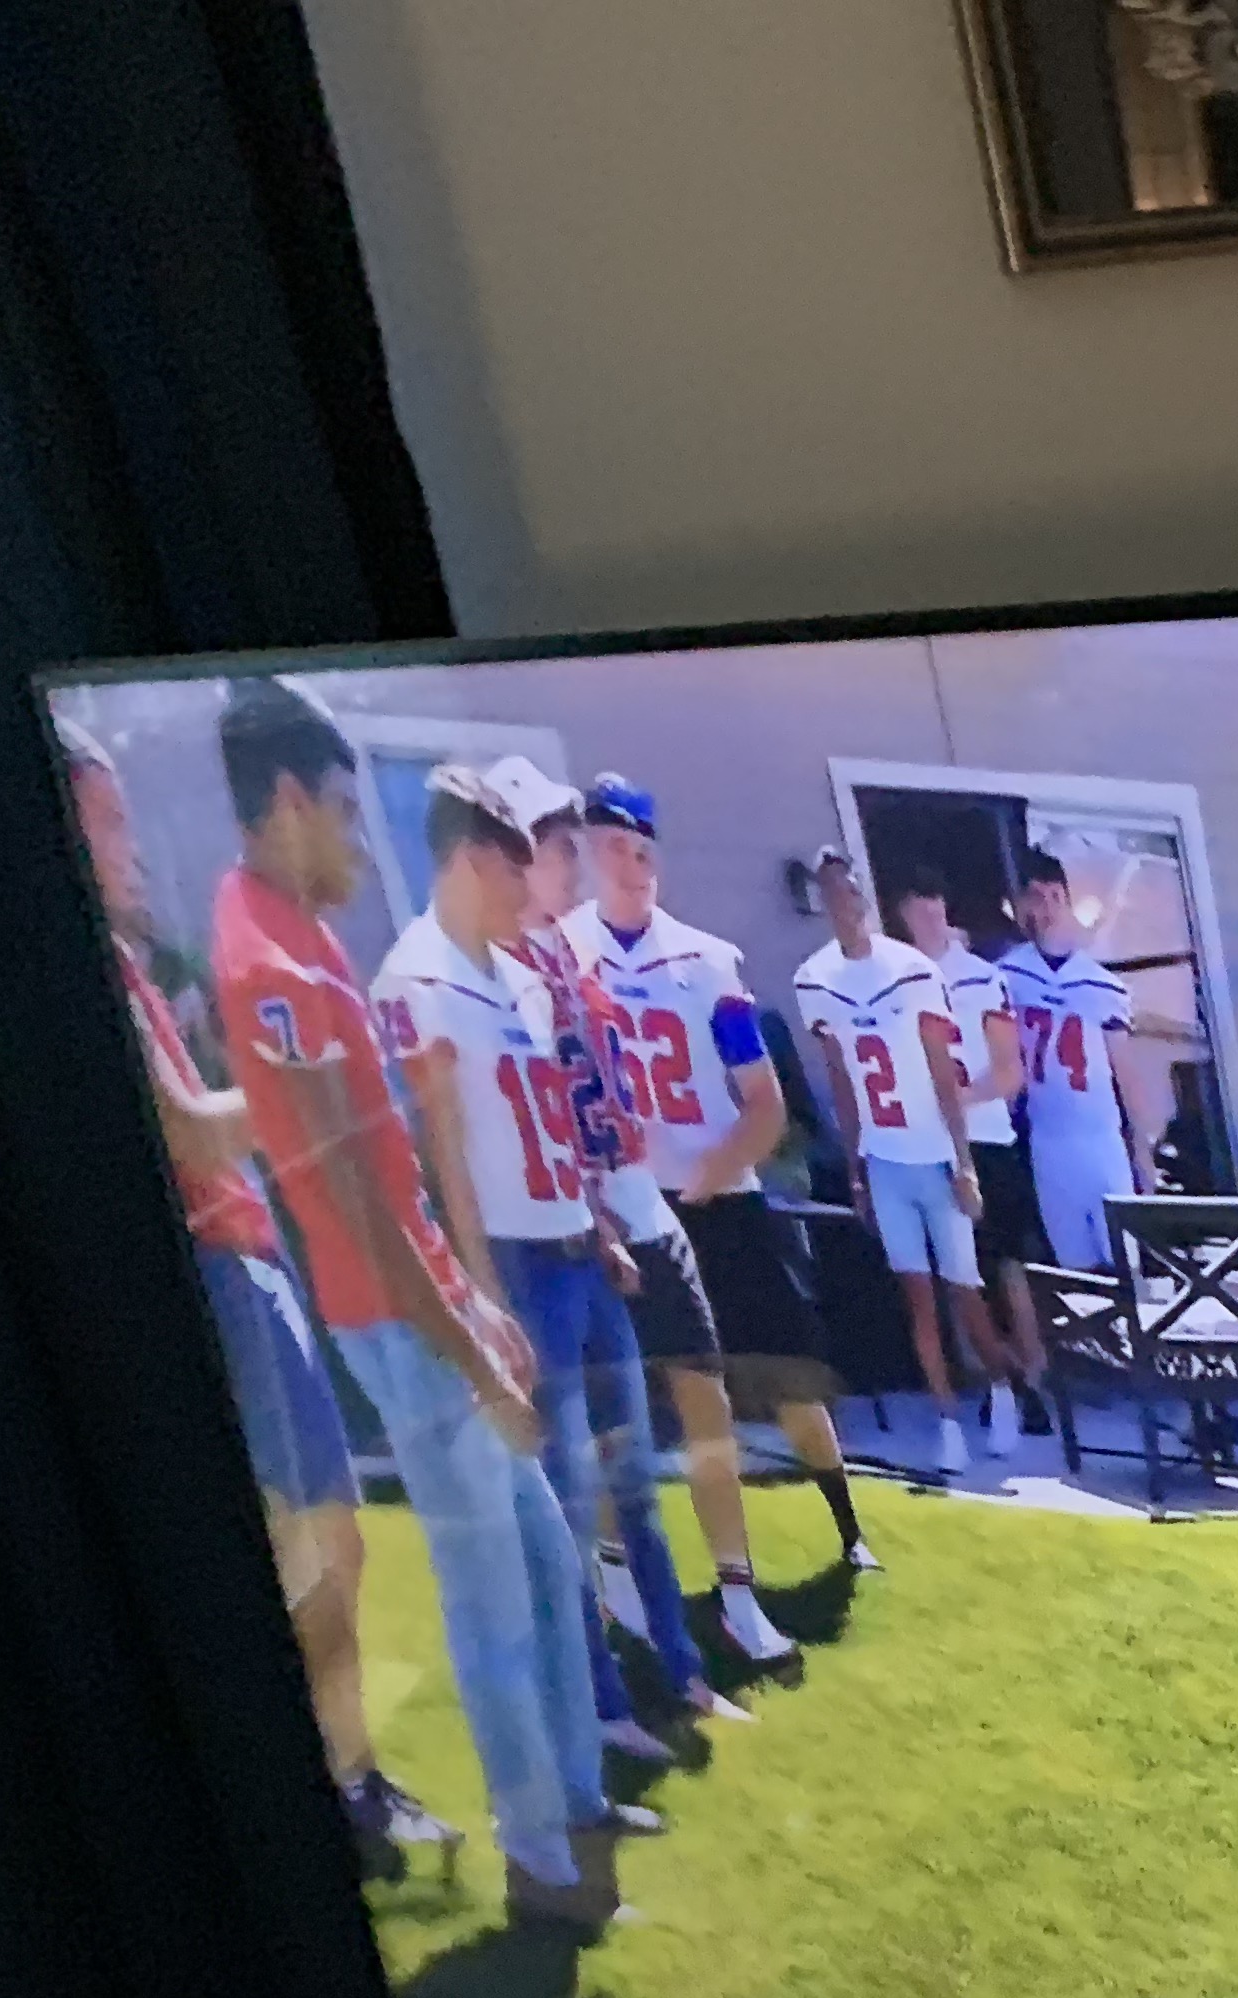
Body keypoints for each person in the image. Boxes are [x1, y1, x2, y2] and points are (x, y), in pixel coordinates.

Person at [208, 686, 628, 1928]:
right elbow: (358, 1216)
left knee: (544, 1564)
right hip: (400, 1330)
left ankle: (576, 1810)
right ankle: (542, 1865)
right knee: (495, 1602)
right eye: (346, 811)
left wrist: (480, 1310)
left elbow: (392, 1188)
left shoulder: (297, 928)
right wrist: (477, 1354)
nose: (357, 836)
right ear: (290, 800)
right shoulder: (269, 961)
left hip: (430, 1308)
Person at [60, 714, 457, 1884]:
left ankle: (351, 1780)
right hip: (227, 1270)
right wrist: (308, 1092)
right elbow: (192, 1132)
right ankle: (344, 1789)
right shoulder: (103, 964)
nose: (133, 845)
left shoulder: (131, 963)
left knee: (329, 1545)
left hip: (250, 1266)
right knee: (317, 1547)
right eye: (109, 821)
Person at [487, 757, 749, 1735]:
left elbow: (591, 1107)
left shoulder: (566, 958)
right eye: (563, 848)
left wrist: (618, 1222)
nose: (579, 866)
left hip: (606, 1233)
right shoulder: (493, 973)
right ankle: (601, 1701)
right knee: (574, 1485)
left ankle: (682, 1673)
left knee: (635, 1475)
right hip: (543, 1254)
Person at [568, 775, 876, 1597]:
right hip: (625, 1209)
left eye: (642, 850)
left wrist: (712, 1172)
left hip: (722, 1201)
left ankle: (849, 1529)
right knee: (622, 1395)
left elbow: (765, 1100)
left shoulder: (708, 962)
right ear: (588, 854)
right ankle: (624, 1584)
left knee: (784, 1372)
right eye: (614, 849)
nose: (632, 866)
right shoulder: (559, 956)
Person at [794, 847, 1002, 1478]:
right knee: (917, 1297)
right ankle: (947, 1421)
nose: (845, 903)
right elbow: (841, 1078)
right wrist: (855, 1167)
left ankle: (1002, 1388)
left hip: (934, 1151)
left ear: (866, 895)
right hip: (884, 1157)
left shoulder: (912, 970)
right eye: (832, 892)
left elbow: (942, 1071)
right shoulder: (816, 979)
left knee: (965, 1291)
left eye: (851, 889)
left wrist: (964, 1160)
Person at [898, 865, 1042, 1452]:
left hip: (987, 1138)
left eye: (936, 905)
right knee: (960, 1274)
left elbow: (1009, 1071)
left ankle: (1033, 1378)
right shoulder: (897, 980)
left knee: (1007, 1267)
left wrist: (957, 1098)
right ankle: (991, 1380)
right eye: (918, 908)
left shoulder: (983, 978)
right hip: (928, 1145)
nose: (929, 917)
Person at [998, 851, 1141, 1275]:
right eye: (1034, 898)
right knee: (1074, 1268)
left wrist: (1142, 1149)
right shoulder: (1007, 975)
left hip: (1100, 1137)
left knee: (1124, 1261)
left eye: (1052, 897)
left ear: (1065, 899)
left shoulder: (1102, 984)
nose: (1044, 909)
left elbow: (1124, 1070)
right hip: (1047, 1137)